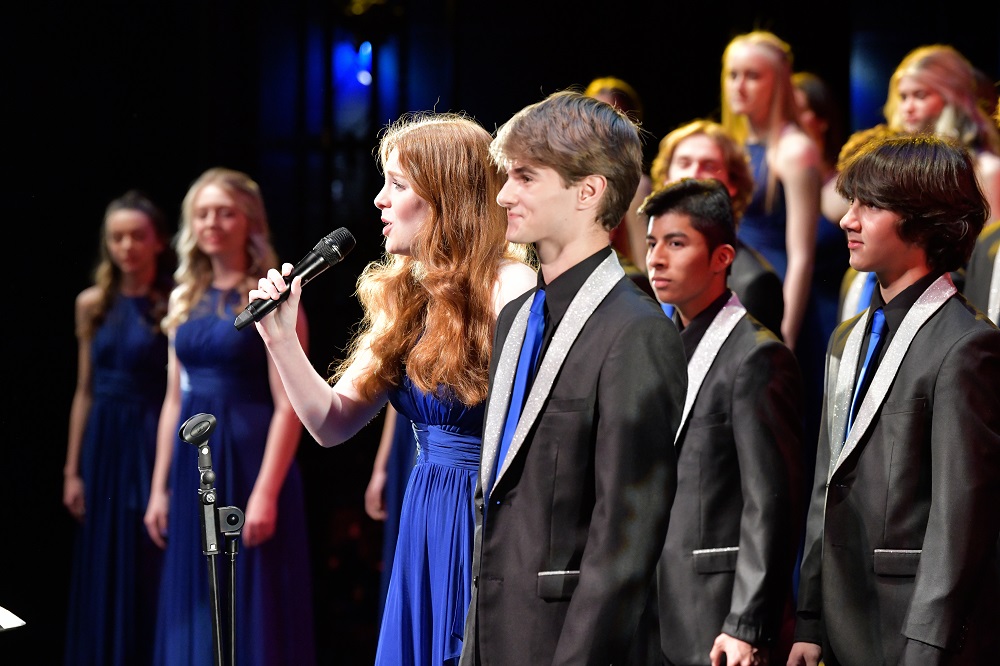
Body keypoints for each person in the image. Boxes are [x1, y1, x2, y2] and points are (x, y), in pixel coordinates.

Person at [247, 112, 537, 665]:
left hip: (487, 513)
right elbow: (331, 423)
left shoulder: (511, 285)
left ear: (447, 195)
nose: (379, 200)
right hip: (426, 506)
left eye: (398, 185)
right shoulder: (406, 295)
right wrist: (280, 339)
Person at [459, 90, 688, 665]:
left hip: (569, 645)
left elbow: (624, 540)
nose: (504, 194)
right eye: (507, 175)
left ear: (589, 192)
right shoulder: (515, 318)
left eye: (525, 177)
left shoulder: (638, 331)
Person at [788, 134, 1000, 665]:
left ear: (925, 221)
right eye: (851, 202)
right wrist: (809, 620)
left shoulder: (966, 345)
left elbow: (961, 519)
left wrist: (928, 644)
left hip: (911, 633)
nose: (847, 220)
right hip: (840, 623)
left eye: (870, 206)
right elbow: (826, 485)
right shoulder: (846, 338)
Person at [143, 168, 316, 666]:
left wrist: (265, 492)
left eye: (225, 213)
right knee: (195, 597)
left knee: (249, 597)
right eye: (202, 214)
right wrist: (159, 488)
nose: (212, 223)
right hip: (192, 464)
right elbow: (172, 400)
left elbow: (289, 405)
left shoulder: (270, 297)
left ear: (249, 222)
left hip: (248, 460)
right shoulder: (183, 297)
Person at [643, 178, 803, 666]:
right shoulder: (655, 345)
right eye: (651, 243)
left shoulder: (757, 356)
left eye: (676, 243)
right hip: (652, 611)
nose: (656, 259)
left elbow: (770, 503)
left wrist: (746, 623)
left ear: (722, 257)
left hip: (718, 615)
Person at [63, 190, 174, 666]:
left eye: (136, 236)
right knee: (102, 552)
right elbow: (84, 389)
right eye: (117, 238)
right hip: (103, 438)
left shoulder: (170, 303)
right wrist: (72, 470)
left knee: (145, 553)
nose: (126, 246)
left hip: (148, 433)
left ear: (158, 242)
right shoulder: (91, 304)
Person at [721, 30, 823, 351]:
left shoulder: (795, 150)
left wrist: (785, 334)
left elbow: (802, 255)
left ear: (778, 82)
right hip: (738, 285)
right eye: (733, 75)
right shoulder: (735, 145)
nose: (739, 86)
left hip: (777, 293)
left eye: (752, 76)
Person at [649, 118, 785, 337]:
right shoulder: (654, 261)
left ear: (733, 184)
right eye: (684, 163)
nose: (694, 174)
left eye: (709, 166)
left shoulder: (754, 284)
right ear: (666, 177)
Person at [882, 43, 1000, 222]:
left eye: (920, 95)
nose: (907, 107)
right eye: (903, 97)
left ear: (950, 96)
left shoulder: (987, 169)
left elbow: (993, 238)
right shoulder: (898, 163)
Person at [584, 76, 655, 290]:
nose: (604, 127)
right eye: (595, 117)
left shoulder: (637, 186)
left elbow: (643, 265)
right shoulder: (571, 179)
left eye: (614, 117)